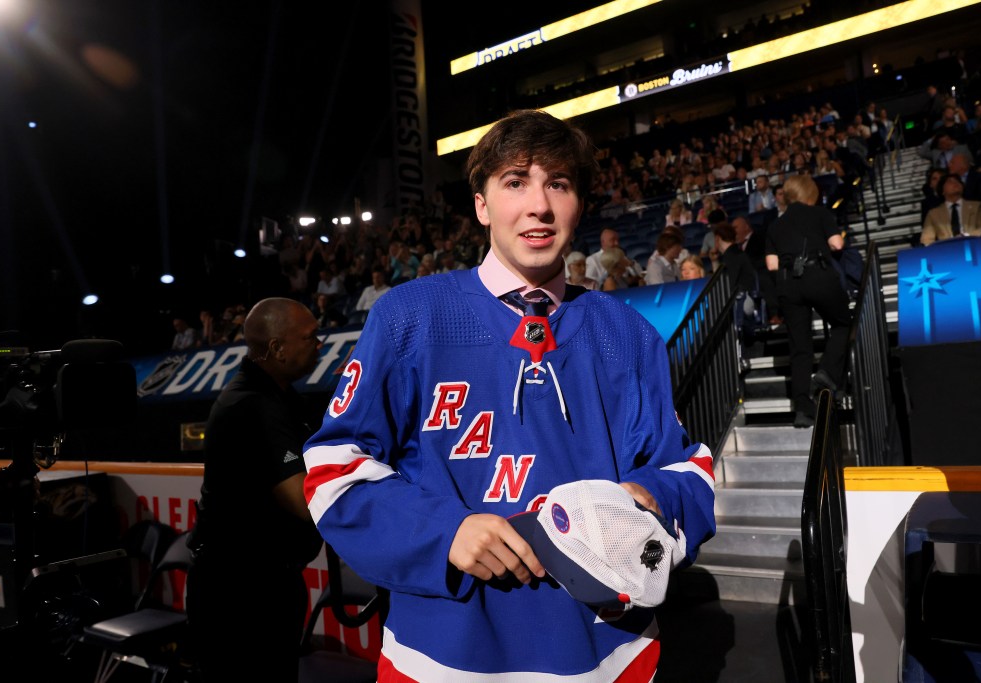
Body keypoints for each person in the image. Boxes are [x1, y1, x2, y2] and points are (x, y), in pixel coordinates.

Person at [301, 109, 715, 682]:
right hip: (442, 656)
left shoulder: (628, 333)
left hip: (608, 653)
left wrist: (646, 496)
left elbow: (689, 470)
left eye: (559, 184)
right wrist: (443, 533)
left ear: (579, 204)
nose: (539, 205)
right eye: (515, 181)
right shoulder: (408, 318)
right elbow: (333, 470)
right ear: (481, 204)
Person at [187, 298, 324, 683]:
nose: (320, 344)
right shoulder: (252, 405)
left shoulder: (276, 397)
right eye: (310, 337)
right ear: (278, 348)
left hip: (261, 586)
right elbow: (305, 503)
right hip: (240, 598)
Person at [765, 175, 852, 428]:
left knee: (799, 347)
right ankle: (826, 371)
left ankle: (803, 409)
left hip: (788, 284)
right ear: (810, 193)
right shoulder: (820, 214)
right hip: (819, 276)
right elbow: (837, 244)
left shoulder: (775, 225)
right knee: (842, 324)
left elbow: (772, 264)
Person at [920, 174, 981, 245]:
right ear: (942, 191)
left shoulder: (976, 206)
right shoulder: (933, 213)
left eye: (958, 181)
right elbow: (926, 239)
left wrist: (964, 236)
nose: (955, 183)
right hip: (946, 251)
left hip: (972, 245)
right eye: (950, 182)